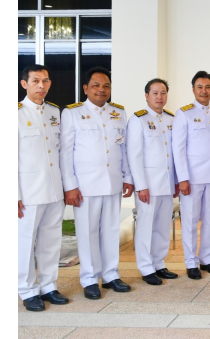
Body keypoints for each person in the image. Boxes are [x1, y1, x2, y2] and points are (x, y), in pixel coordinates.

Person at [60, 67, 135, 299]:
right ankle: (90, 279)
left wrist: (127, 176)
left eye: (106, 86)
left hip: (112, 182)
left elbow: (123, 147)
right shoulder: (72, 113)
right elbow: (66, 152)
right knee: (88, 232)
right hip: (85, 185)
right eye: (96, 85)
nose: (101, 90)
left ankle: (111, 275)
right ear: (86, 88)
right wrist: (70, 186)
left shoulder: (118, 112)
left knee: (110, 230)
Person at [18, 64, 69, 311]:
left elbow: (59, 152)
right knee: (25, 242)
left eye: (45, 81)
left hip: (54, 188)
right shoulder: (16, 113)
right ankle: (27, 290)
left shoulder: (53, 111)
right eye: (36, 81)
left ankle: (48, 285)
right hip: (28, 191)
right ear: (24, 84)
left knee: (51, 241)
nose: (42, 85)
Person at [126, 78, 180, 285]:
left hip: (167, 184)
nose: (159, 97)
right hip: (148, 185)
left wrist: (176, 181)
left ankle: (159, 263)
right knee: (145, 227)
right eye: (155, 93)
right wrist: (141, 185)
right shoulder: (138, 119)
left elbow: (174, 155)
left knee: (163, 227)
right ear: (147, 96)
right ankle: (146, 267)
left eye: (163, 93)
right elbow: (134, 155)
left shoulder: (171, 119)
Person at [172, 71, 210, 280]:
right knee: (190, 221)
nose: (204, 91)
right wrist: (182, 178)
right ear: (193, 89)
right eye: (200, 87)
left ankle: (207, 259)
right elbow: (178, 148)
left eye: (208, 87)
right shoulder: (184, 114)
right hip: (192, 178)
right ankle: (191, 262)